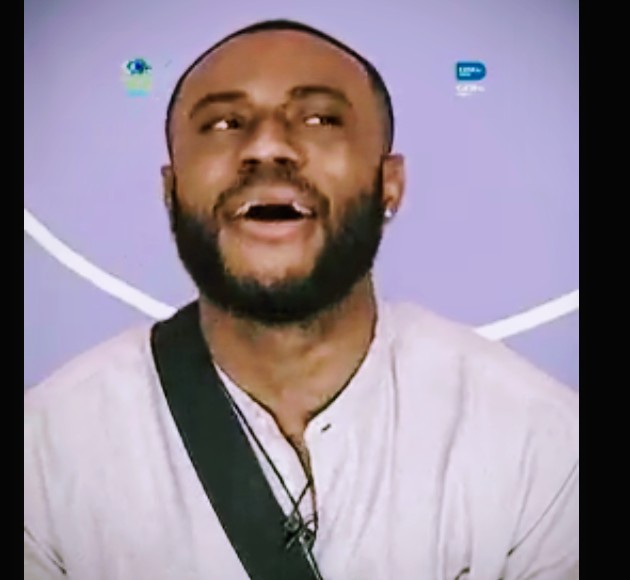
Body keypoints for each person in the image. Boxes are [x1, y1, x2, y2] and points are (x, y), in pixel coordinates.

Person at [24, 19, 579, 580]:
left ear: (389, 183)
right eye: (224, 123)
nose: (266, 146)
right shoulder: (47, 455)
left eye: (319, 119)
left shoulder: (541, 446)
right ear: (171, 191)